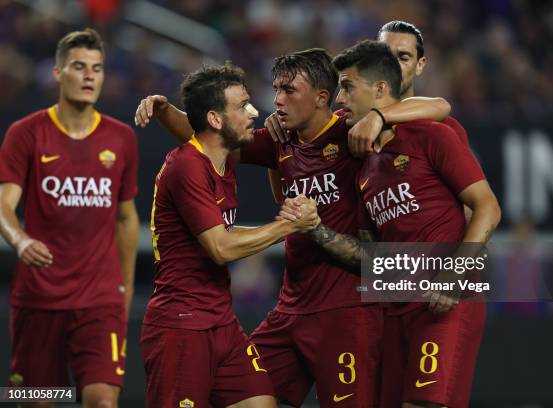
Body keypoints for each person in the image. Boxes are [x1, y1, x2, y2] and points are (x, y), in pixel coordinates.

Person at [134, 48, 449, 407]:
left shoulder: (351, 132)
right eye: (275, 90)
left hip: (346, 310)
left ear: (321, 98)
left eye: (289, 91)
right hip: (288, 309)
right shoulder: (279, 140)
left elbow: (440, 106)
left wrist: (378, 116)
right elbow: (209, 135)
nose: (277, 101)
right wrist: (164, 112)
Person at [281, 40, 501, 408]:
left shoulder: (432, 135)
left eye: (348, 87)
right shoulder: (364, 162)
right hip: (395, 306)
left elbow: (488, 208)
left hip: (444, 299)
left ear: (380, 89)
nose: (339, 98)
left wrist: (455, 274)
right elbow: (370, 253)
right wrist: (314, 228)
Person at [140, 63, 320, 408]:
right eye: (242, 106)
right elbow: (220, 248)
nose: (254, 112)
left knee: (259, 403)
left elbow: (218, 230)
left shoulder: (220, 162)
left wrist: (282, 225)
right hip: (181, 325)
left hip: (221, 320)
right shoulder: (187, 165)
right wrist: (288, 225)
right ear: (215, 120)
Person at [0, 28, 139, 407]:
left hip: (99, 300)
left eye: (97, 68)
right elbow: (3, 204)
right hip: (39, 300)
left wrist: (123, 291)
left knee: (102, 400)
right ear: (59, 73)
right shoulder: (25, 133)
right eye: (79, 66)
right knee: (40, 400)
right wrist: (21, 240)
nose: (90, 75)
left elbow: (127, 219)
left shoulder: (121, 137)